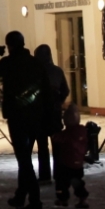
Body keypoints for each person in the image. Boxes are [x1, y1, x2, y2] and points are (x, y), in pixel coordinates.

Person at [0, 30, 53, 209]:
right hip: (35, 115)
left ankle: (35, 201)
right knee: (24, 158)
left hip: (18, 116)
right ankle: (21, 194)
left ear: (10, 46)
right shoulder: (36, 63)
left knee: (24, 159)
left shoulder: (9, 62)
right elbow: (46, 90)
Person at [34, 44, 70, 184]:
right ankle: (59, 173)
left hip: (40, 113)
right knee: (57, 145)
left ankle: (44, 175)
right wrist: (58, 101)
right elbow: (65, 90)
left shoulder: (35, 72)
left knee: (42, 146)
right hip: (54, 113)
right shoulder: (57, 71)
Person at [56, 104, 90, 208]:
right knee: (78, 182)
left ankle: (63, 199)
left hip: (66, 163)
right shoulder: (82, 132)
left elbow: (57, 139)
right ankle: (82, 198)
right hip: (78, 163)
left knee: (63, 183)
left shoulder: (66, 134)